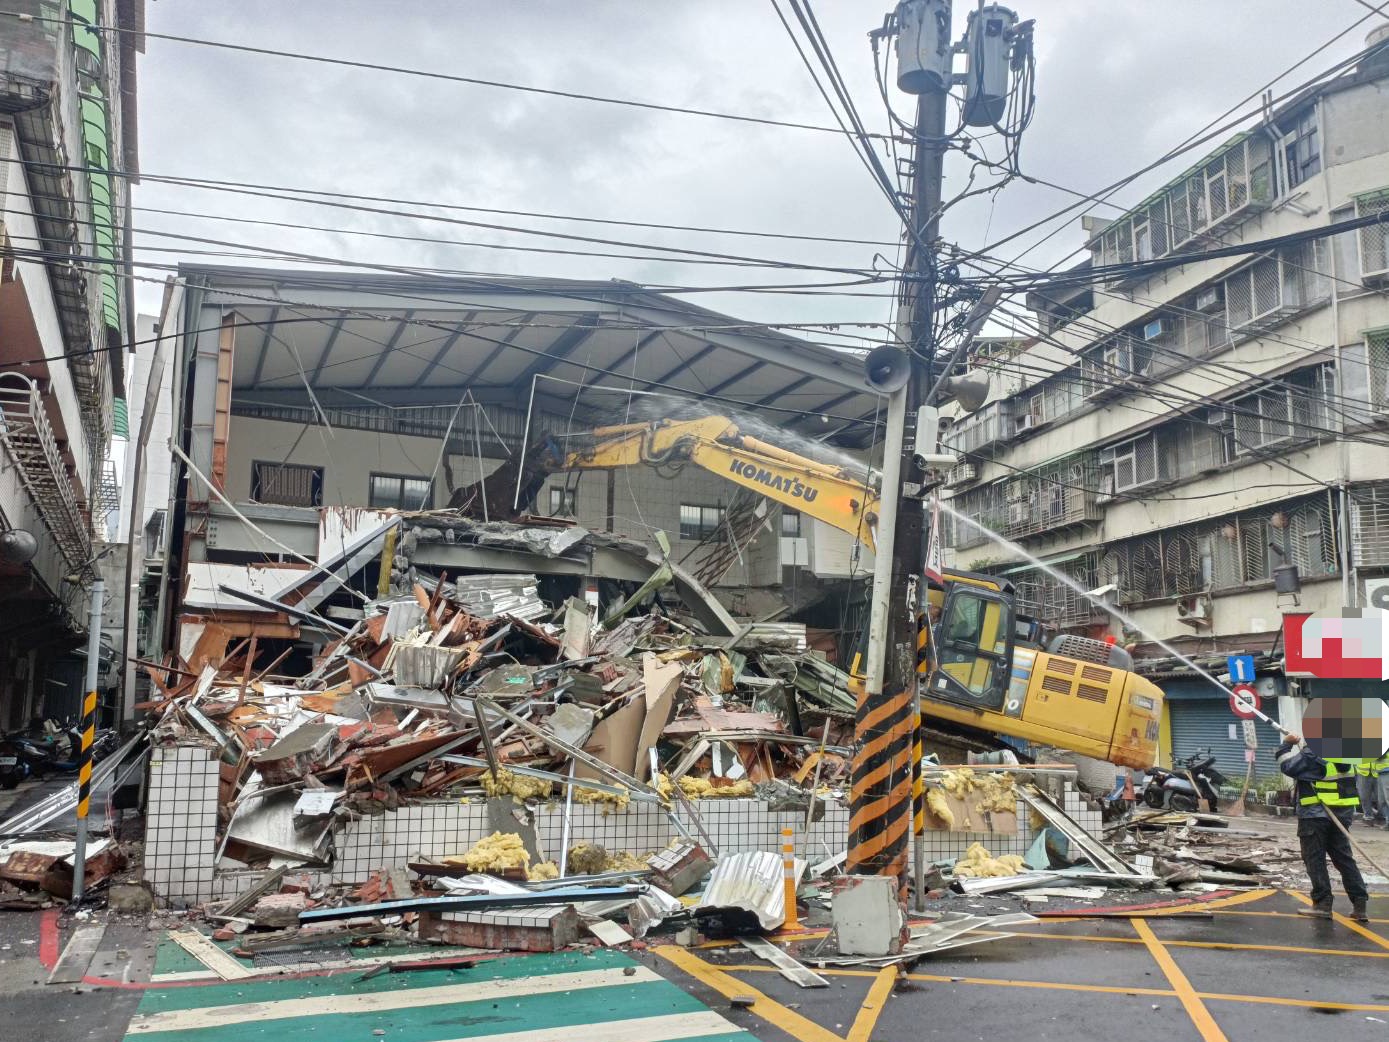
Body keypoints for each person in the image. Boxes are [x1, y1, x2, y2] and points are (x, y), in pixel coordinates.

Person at [1276, 732, 1370, 921]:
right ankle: (1360, 905)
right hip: (1341, 814)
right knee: (1344, 859)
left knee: (1314, 859)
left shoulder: (1314, 754)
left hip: (1315, 814)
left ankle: (1322, 904)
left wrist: (1286, 745)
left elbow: (1287, 766)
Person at [1356, 756, 1386, 827]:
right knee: (1364, 796)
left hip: (1378, 771)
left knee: (1380, 797)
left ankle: (1381, 817)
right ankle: (1368, 818)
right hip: (1363, 771)